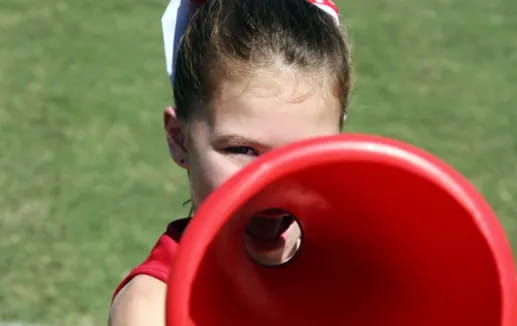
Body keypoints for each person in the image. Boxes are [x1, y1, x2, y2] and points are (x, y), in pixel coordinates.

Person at [109, 0, 351, 325]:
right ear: (179, 139)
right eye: (243, 150)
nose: (274, 183)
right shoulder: (154, 308)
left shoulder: (369, 266)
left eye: (307, 151)